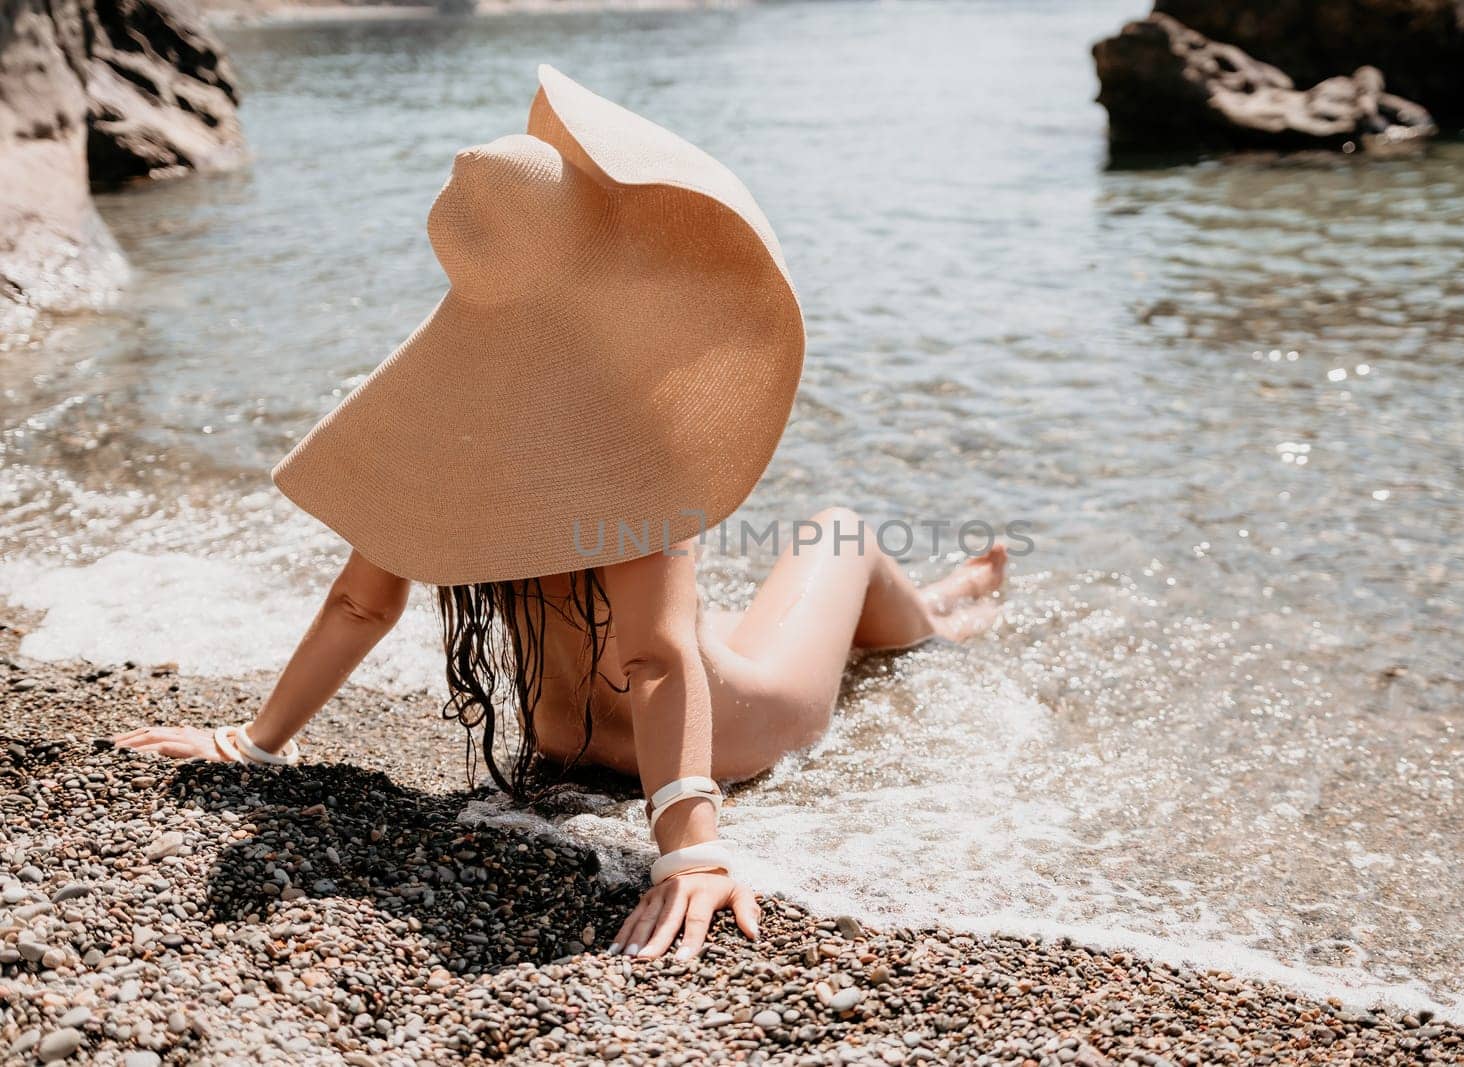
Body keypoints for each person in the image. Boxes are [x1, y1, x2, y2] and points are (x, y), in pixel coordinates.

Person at [112, 66, 1007, 962]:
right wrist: (689, 852)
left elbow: (360, 605)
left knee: (702, 613)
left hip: (556, 736)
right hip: (727, 738)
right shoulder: (627, 436)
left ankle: (937, 607)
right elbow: (655, 658)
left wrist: (256, 742)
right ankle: (935, 620)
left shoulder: (443, 429)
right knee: (838, 530)